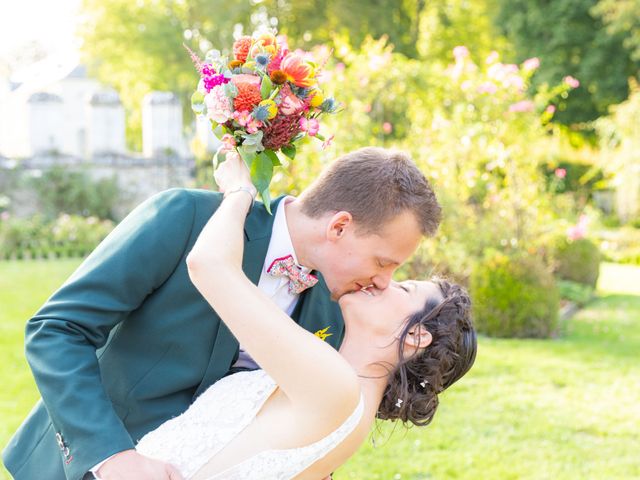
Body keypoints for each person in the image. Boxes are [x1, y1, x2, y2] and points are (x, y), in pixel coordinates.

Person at [3, 147, 442, 480]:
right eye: (383, 263)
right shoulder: (187, 217)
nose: (382, 281)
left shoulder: (339, 312)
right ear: (339, 226)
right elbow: (57, 329)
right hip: (76, 465)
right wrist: (110, 455)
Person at [132, 150, 477, 479]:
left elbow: (209, 265)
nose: (383, 282)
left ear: (416, 335)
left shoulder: (337, 387)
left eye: (403, 288)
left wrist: (239, 191)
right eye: (388, 269)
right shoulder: (345, 405)